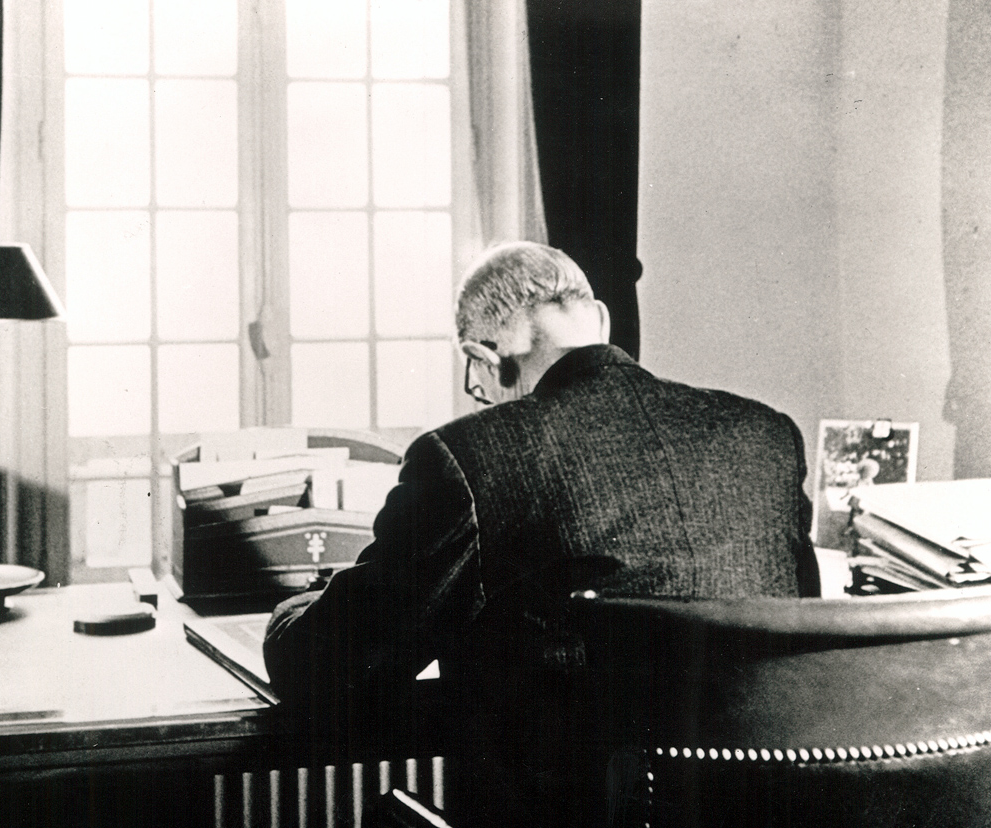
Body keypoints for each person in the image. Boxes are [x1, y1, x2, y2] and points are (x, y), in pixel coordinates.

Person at [264, 241, 820, 825]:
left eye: (475, 380)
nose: (481, 397)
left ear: (487, 356)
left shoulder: (469, 457)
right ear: (600, 320)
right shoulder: (766, 435)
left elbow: (328, 670)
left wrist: (292, 610)